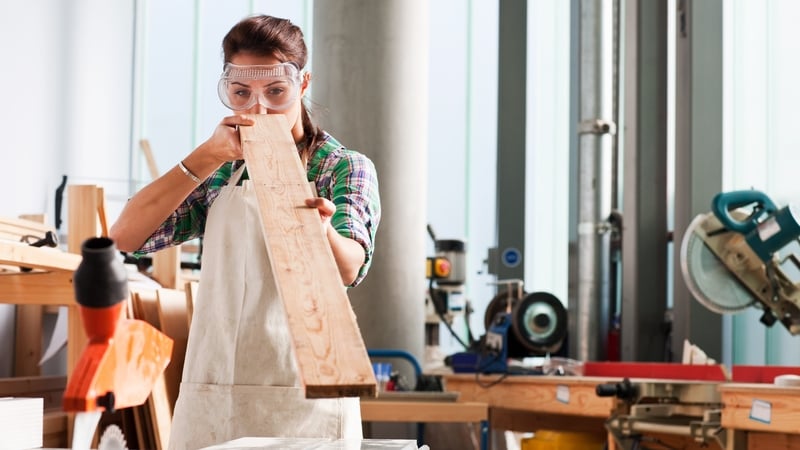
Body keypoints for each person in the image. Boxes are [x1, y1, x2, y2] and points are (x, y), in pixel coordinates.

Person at [109, 14, 381, 449]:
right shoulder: (220, 172)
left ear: (302, 84)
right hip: (217, 389)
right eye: (241, 93)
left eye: (276, 91)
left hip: (305, 397)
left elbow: (350, 267)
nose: (259, 108)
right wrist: (205, 157)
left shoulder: (341, 167)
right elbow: (125, 236)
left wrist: (323, 233)